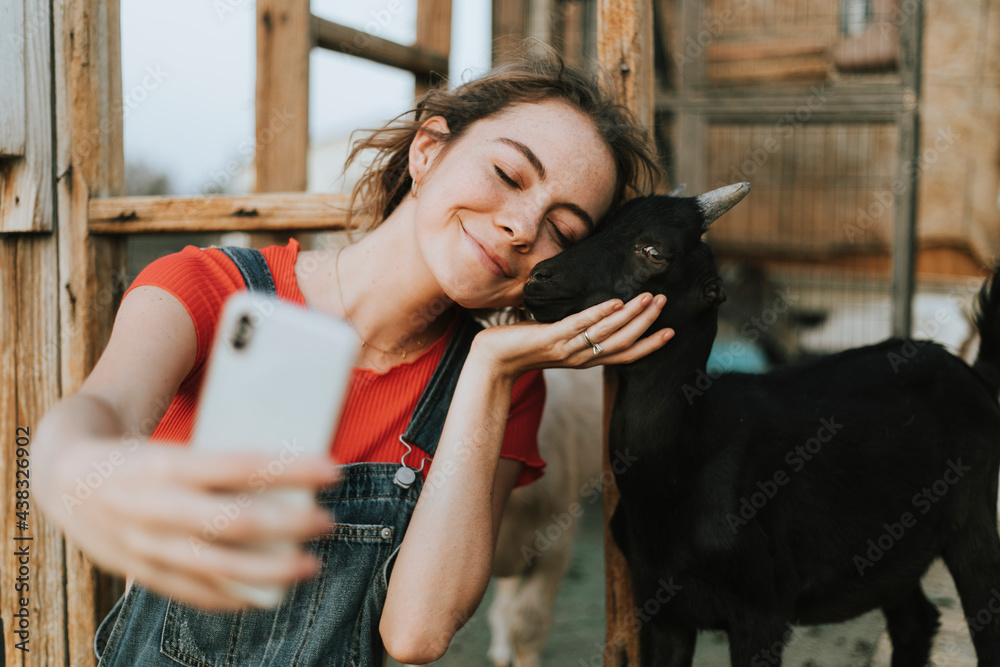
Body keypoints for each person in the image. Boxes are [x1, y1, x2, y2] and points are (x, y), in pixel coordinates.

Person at [32, 52, 670, 665]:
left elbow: (416, 633)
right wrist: (84, 471)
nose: (524, 228)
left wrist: (489, 370)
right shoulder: (211, 290)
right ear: (428, 150)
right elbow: (90, 420)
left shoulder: (505, 389)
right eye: (507, 175)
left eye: (565, 231)